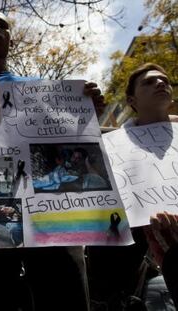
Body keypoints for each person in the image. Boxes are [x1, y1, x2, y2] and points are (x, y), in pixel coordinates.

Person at [0, 11, 105, 311]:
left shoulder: (44, 92)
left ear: (10, 41)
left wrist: (88, 114)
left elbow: (72, 151)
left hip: (49, 220)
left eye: (2, 25)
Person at [87, 63, 178, 310]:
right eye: (149, 82)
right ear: (132, 100)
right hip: (125, 255)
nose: (160, 83)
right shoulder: (110, 146)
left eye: (164, 80)